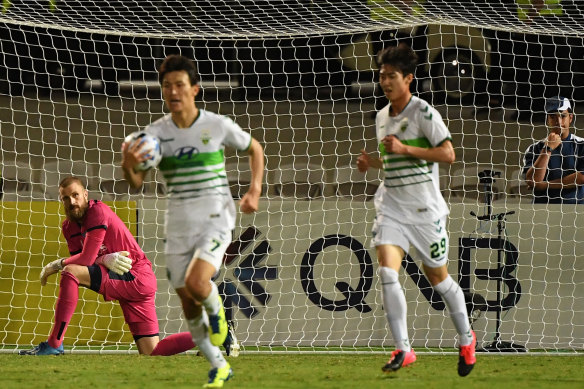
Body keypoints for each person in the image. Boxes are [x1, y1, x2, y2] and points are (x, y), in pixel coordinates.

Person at [121, 54, 264, 388]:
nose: (173, 91)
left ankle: (220, 320)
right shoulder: (153, 137)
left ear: (195, 89)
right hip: (179, 224)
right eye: (167, 85)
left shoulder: (216, 125)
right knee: (186, 298)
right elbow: (136, 183)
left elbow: (254, 148)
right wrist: (128, 164)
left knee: (199, 283)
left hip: (216, 217)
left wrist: (254, 190)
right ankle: (219, 366)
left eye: (180, 85)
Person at [356, 45, 476, 376]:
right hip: (392, 207)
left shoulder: (424, 113)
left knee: (439, 280)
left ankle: (466, 339)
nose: (385, 82)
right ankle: (403, 348)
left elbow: (448, 155)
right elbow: (391, 157)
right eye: (381, 76)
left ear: (408, 78)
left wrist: (406, 147)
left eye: (392, 76)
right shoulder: (382, 116)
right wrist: (372, 162)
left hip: (425, 212)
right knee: (386, 272)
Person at [19, 176, 195, 356]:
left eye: (75, 195)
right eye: (66, 198)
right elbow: (83, 262)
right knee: (153, 352)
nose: (72, 202)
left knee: (69, 271)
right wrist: (102, 260)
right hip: (128, 282)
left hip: (136, 276)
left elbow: (85, 260)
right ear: (61, 200)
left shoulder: (97, 211)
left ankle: (54, 343)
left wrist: (55, 264)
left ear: (85, 195)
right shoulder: (68, 228)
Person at [523, 96, 584, 203]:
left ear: (570, 118)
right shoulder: (534, 148)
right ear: (547, 119)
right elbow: (533, 180)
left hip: (576, 209)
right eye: (553, 116)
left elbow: (581, 178)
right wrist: (547, 149)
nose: (558, 121)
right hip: (541, 209)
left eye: (563, 116)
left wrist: (545, 185)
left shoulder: (581, 144)